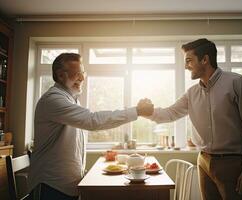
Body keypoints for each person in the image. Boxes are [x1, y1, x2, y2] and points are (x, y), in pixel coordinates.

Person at [143, 38, 242, 199]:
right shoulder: (192, 93)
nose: (186, 66)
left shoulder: (238, 83)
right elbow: (170, 113)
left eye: (189, 61)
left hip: (233, 163)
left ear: (205, 59)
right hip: (203, 161)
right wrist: (147, 112)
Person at [28, 53, 154, 200]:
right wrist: (136, 111)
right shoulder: (53, 100)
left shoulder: (71, 100)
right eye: (77, 74)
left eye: (83, 73)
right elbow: (92, 120)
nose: (82, 78)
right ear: (61, 75)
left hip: (65, 186)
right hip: (50, 187)